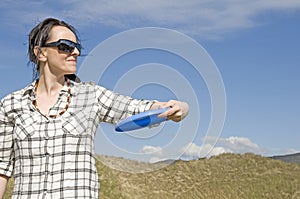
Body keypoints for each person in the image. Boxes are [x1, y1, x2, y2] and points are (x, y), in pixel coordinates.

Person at [0, 18, 189, 198]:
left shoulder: (91, 95)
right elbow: (2, 170)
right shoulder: (10, 105)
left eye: (77, 47)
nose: (74, 52)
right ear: (40, 53)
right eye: (65, 46)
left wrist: (176, 108)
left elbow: (137, 108)